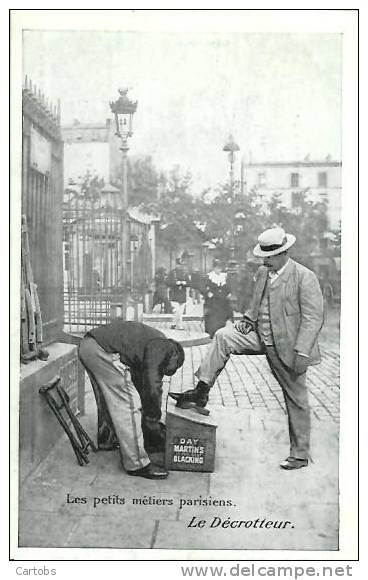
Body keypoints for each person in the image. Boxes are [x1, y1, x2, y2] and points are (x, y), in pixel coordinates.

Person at [171, 227, 324, 470]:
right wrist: (247, 320)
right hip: (259, 336)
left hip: (288, 346)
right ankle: (201, 391)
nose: (264, 261)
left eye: (269, 256)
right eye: (263, 256)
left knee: (297, 399)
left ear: (284, 253)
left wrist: (302, 351)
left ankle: (300, 454)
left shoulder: (305, 277)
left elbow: (313, 318)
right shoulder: (264, 273)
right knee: (223, 336)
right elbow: (257, 302)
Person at [79, 319, 185, 479]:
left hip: (89, 346)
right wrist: (152, 421)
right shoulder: (164, 346)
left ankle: (107, 440)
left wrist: (150, 418)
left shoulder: (149, 343)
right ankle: (136, 464)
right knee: (129, 403)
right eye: (173, 369)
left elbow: (141, 383)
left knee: (109, 398)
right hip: (102, 350)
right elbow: (152, 385)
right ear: (175, 356)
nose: (168, 372)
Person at [202, 259, 233, 338]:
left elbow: (227, 287)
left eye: (219, 268)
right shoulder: (209, 276)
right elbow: (203, 287)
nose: (218, 270)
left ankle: (220, 331)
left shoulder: (223, 276)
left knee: (222, 316)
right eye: (216, 268)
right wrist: (207, 293)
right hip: (212, 301)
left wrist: (228, 293)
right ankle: (211, 332)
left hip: (222, 300)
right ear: (213, 268)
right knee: (212, 317)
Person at [167, 257, 190, 330]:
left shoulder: (185, 273)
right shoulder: (172, 273)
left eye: (181, 265)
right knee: (176, 310)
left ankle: (176, 324)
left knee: (180, 311)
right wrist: (175, 283)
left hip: (182, 294)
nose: (180, 266)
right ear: (176, 265)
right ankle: (176, 324)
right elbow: (167, 282)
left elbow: (189, 283)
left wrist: (185, 283)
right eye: (178, 265)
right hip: (174, 293)